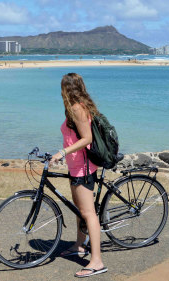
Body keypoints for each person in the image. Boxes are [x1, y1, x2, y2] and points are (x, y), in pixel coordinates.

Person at [51, 73, 107, 278]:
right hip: (75, 167)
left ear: (67, 88)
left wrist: (62, 152)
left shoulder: (77, 108)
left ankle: (97, 261)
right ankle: (79, 245)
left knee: (89, 213)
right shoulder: (74, 107)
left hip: (83, 169)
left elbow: (87, 138)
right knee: (79, 210)